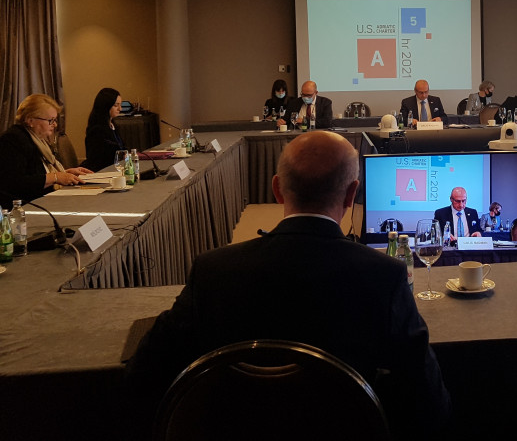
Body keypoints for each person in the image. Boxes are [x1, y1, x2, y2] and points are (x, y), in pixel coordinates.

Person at [126, 131, 450, 431]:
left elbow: (144, 374)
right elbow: (429, 402)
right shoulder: (384, 276)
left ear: (277, 189)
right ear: (352, 194)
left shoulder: (213, 271)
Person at [0, 94, 93, 209]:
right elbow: (14, 183)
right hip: (5, 212)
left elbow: (35, 175)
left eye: (55, 120)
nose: (55, 125)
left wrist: (66, 174)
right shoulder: (11, 140)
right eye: (50, 120)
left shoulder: (36, 140)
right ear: (30, 120)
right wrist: (56, 177)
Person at [81, 87, 126, 171]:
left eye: (120, 105)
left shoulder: (113, 125)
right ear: (106, 106)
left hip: (114, 168)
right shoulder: (97, 130)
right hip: (102, 171)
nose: (120, 109)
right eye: (116, 105)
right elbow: (99, 158)